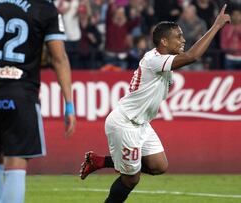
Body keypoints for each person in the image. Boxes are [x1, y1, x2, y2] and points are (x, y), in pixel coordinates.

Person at [80, 5, 230, 202]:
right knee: (131, 179)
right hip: (125, 124)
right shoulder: (154, 59)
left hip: (141, 123)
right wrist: (216, 26)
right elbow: (192, 56)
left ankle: (99, 161)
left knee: (159, 166)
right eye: (178, 36)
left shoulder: (164, 61)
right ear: (164, 41)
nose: (183, 40)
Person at [0, 0, 76, 202]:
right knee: (16, 164)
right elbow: (59, 58)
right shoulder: (44, 8)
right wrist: (69, 104)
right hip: (20, 94)